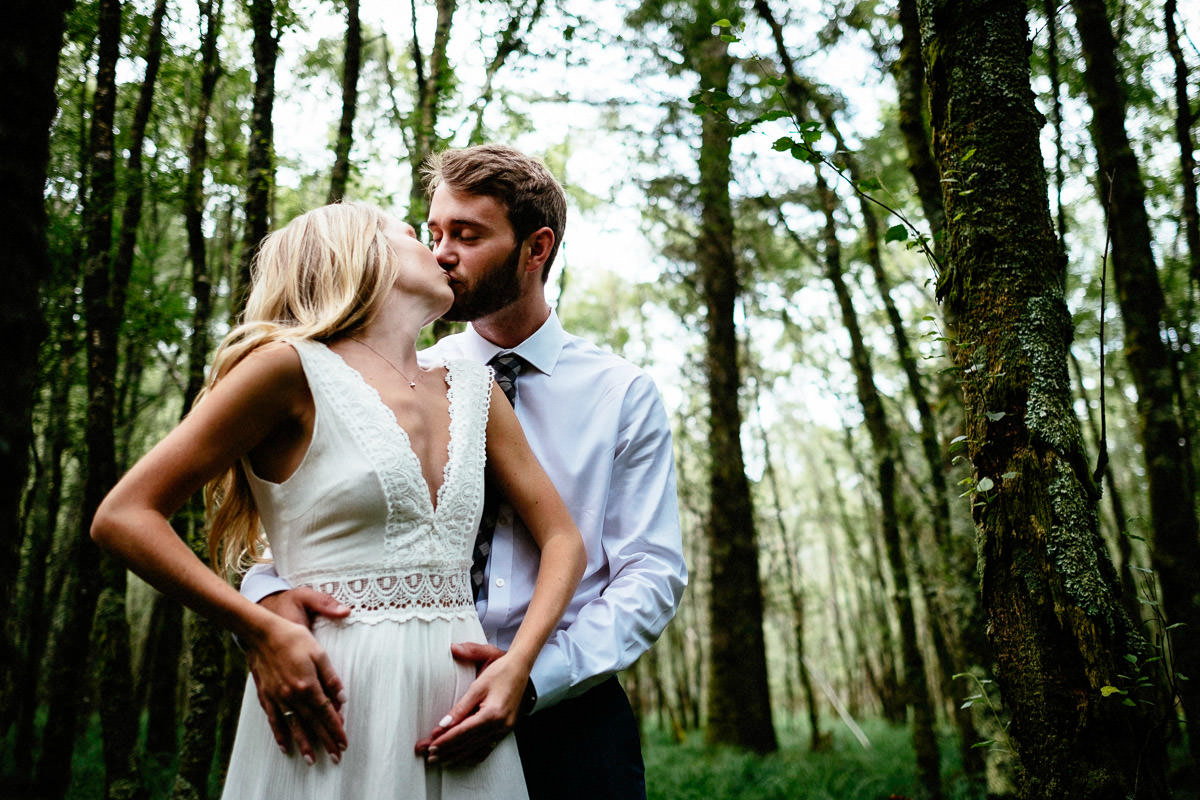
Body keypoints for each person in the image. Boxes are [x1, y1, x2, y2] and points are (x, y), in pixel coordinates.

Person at [90, 201, 586, 799]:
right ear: (360, 256)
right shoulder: (286, 370)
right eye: (414, 236)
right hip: (330, 698)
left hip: (462, 712)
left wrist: (518, 665)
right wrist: (258, 629)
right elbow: (123, 516)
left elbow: (563, 539)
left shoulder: (476, 391)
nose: (438, 253)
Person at [243, 145, 688, 799]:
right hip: (396, 701)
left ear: (535, 248)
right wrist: (266, 598)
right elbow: (313, 512)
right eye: (434, 234)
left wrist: (533, 675)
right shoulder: (393, 373)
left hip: (569, 714)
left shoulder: (622, 394)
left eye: (468, 235)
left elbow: (651, 572)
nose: (444, 252)